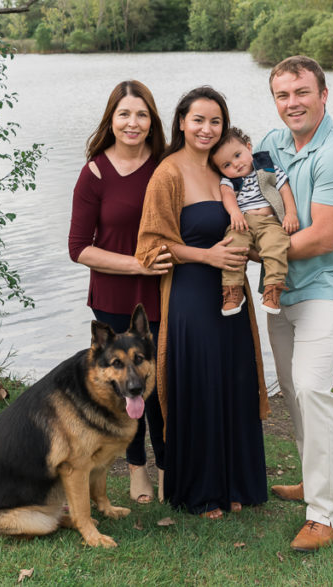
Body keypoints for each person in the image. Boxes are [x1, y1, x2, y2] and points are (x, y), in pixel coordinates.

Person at [135, 86, 270, 519]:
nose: (207, 129)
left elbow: (249, 223)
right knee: (202, 384)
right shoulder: (168, 173)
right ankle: (200, 490)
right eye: (198, 120)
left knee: (234, 380)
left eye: (215, 121)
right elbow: (151, 247)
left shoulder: (226, 171)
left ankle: (236, 484)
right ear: (180, 123)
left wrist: (256, 248)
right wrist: (207, 254)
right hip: (191, 295)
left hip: (234, 294)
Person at [256, 56, 333, 553]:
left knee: (311, 388)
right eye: (283, 95)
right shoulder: (270, 145)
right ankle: (328, 478)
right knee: (294, 396)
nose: (292, 103)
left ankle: (324, 513)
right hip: (281, 290)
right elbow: (249, 200)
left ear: (324, 95)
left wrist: (251, 252)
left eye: (301, 92)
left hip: (326, 288)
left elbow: (323, 238)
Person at [68, 80, 172, 505]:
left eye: (142, 114)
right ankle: (135, 468)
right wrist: (136, 264)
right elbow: (78, 248)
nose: (133, 122)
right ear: (111, 119)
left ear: (153, 121)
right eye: (125, 114)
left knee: (162, 388)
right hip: (111, 299)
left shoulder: (166, 166)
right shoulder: (95, 172)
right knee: (122, 388)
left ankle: (168, 467)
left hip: (164, 295)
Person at [209, 126, 299, 316]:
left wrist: (291, 213)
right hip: (243, 222)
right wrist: (235, 214)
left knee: (276, 245)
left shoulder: (267, 167)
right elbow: (227, 196)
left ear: (249, 147)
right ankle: (233, 291)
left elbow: (284, 189)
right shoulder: (229, 181)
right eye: (226, 165)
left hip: (269, 221)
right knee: (232, 246)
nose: (235, 164)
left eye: (237, 155)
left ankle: (273, 289)